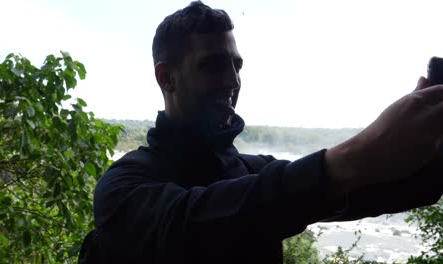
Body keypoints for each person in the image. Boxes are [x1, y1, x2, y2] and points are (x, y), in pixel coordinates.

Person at [84, 1, 443, 263]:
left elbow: (372, 190)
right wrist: (349, 160)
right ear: (167, 77)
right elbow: (195, 224)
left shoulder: (247, 170)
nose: (232, 80)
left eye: (236, 65)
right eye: (213, 65)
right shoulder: (123, 188)